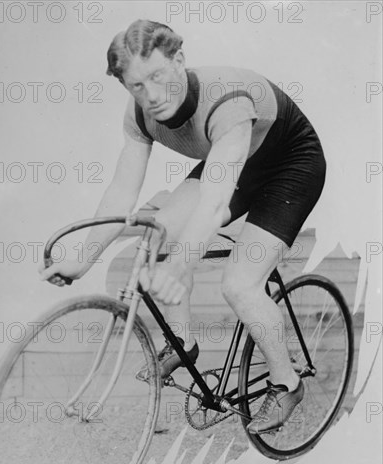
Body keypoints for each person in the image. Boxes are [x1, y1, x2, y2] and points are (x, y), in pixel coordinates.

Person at [39, 19, 326, 434]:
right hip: (234, 162)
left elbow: (211, 206)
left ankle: (286, 383)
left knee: (240, 285)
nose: (151, 96)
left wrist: (179, 268)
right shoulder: (140, 113)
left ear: (179, 60)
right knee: (161, 232)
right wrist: (81, 261)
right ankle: (183, 343)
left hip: (290, 166)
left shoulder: (226, 101)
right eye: (137, 85)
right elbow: (122, 193)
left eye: (157, 76)